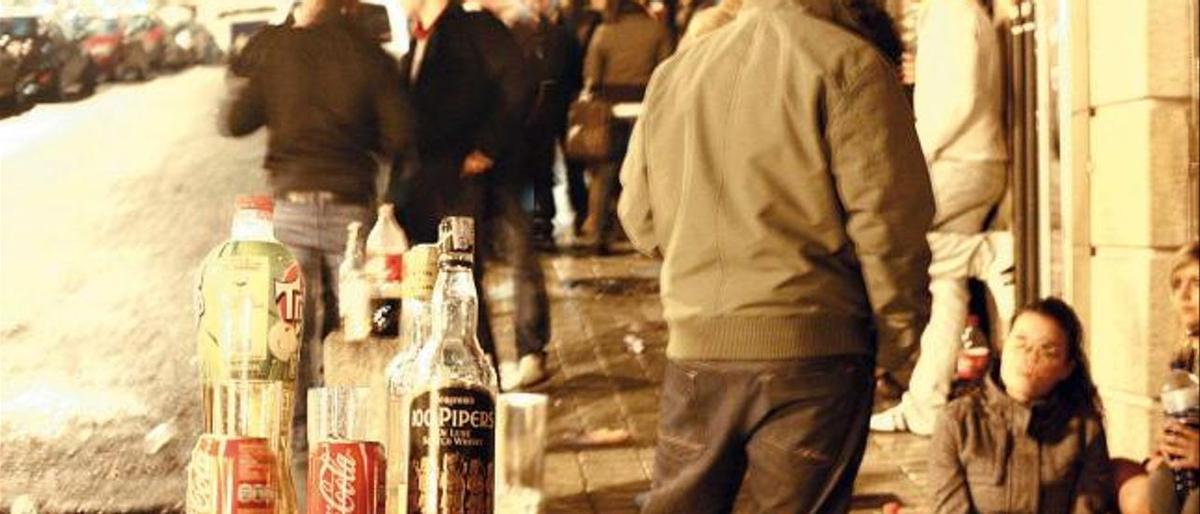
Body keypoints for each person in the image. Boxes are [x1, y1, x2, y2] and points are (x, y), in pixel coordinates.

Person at [617, 0, 935, 509]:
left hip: (698, 346)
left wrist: (701, 256)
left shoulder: (676, 73)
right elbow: (890, 225)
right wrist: (897, 341)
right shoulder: (849, 64)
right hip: (814, 345)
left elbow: (639, 217)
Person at [217, 0, 413, 506]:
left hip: (291, 210)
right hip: (353, 213)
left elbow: (234, 120)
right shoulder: (369, 55)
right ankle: (358, 432)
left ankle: (302, 443)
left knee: (289, 333)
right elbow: (401, 136)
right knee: (363, 327)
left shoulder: (277, 52)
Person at [390, 0, 551, 389]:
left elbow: (519, 83)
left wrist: (488, 147)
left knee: (516, 253)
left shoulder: (475, 28)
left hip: (496, 172)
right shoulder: (419, 42)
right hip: (447, 179)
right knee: (462, 269)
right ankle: (482, 360)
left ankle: (528, 350)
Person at [870, 0, 1012, 436]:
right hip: (966, 159)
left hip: (959, 162)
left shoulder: (954, 14)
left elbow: (961, 99)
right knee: (945, 284)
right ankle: (925, 404)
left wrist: (916, 153)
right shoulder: (951, 14)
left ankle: (988, 254)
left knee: (894, 242)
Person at [929, 298, 1113, 513]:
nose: (1030, 357)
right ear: (1003, 346)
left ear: (1067, 368)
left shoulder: (1084, 427)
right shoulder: (957, 421)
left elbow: (1088, 505)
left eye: (1048, 351)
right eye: (1020, 343)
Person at [579, 0, 672, 253]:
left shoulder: (604, 31)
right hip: (647, 107)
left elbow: (592, 74)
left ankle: (598, 234)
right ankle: (646, 235)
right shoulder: (658, 30)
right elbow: (666, 70)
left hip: (611, 109)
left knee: (605, 173)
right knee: (646, 171)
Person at [1116, 241, 1200, 514]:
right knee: (1157, 481)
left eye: (1196, 283)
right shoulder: (1185, 355)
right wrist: (1170, 447)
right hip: (1186, 474)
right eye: (1177, 284)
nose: (1183, 295)